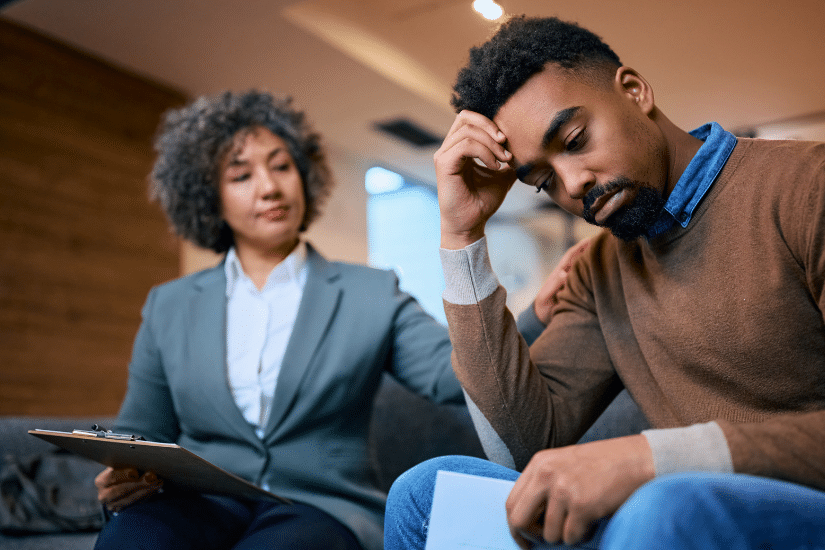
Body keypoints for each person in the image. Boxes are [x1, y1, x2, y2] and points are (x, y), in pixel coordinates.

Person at [384, 15, 825, 550]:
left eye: (574, 140)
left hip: (794, 507)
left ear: (635, 91)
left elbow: (667, 482)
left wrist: (651, 459)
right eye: (544, 181)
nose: (572, 184)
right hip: (671, 515)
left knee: (667, 506)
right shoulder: (598, 269)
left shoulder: (809, 186)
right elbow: (521, 451)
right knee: (426, 493)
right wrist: (462, 237)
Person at [91, 90, 578, 550]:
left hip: (322, 509)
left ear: (304, 175)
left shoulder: (371, 291)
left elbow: (452, 374)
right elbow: (142, 429)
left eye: (282, 166)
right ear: (209, 198)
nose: (269, 186)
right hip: (198, 501)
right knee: (130, 540)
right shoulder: (169, 304)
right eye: (241, 176)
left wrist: (534, 316)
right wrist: (127, 471)